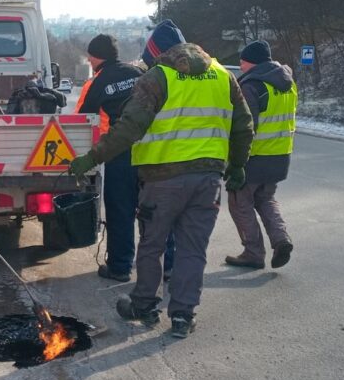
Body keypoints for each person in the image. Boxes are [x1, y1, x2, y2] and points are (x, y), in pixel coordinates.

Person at [69, 20, 254, 338]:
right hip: (208, 178)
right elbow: (243, 125)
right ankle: (182, 316)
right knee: (193, 248)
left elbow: (128, 129)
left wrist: (91, 158)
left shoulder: (157, 77)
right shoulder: (224, 76)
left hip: (163, 178)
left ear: (155, 53)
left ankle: (144, 305)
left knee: (153, 243)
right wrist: (237, 167)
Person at [75, 34, 143, 282]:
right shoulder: (140, 74)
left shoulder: (97, 83)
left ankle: (120, 267)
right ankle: (162, 267)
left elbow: (81, 120)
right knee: (153, 211)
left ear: (94, 57)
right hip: (152, 151)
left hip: (119, 152)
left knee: (120, 209)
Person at [225, 40, 297, 269]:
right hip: (280, 155)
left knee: (240, 203)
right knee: (265, 199)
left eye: (243, 61)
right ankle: (281, 239)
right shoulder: (287, 82)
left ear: (252, 62)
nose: (241, 65)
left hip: (254, 157)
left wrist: (234, 160)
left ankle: (253, 252)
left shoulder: (251, 86)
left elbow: (246, 128)